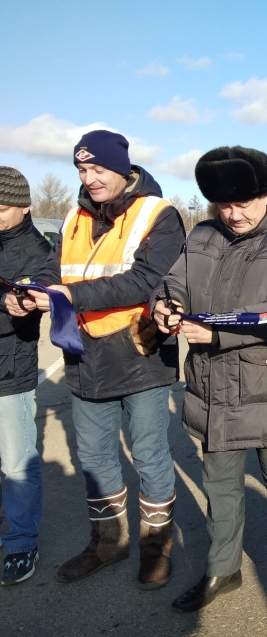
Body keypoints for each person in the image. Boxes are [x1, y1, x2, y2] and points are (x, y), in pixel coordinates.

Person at [152, 146, 267, 628]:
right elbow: (172, 283)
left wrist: (219, 333)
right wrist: (164, 306)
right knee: (220, 488)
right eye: (224, 205)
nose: (234, 214)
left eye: (245, 202)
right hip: (212, 390)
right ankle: (222, 571)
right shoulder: (202, 235)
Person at [24, 130, 185, 589]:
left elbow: (146, 280)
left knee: (150, 455)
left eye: (97, 170)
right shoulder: (74, 216)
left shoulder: (160, 214)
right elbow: (50, 268)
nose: (88, 179)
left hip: (139, 354)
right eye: (81, 170)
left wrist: (68, 295)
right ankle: (107, 543)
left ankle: (156, 550)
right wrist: (32, 291)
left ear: (122, 169)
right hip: (83, 356)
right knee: (94, 456)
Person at [0, 168, 51, 585]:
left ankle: (20, 542)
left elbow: (29, 298)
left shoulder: (38, 250)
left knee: (17, 463)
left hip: (9, 371)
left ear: (25, 207)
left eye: (2, 208)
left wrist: (17, 301)